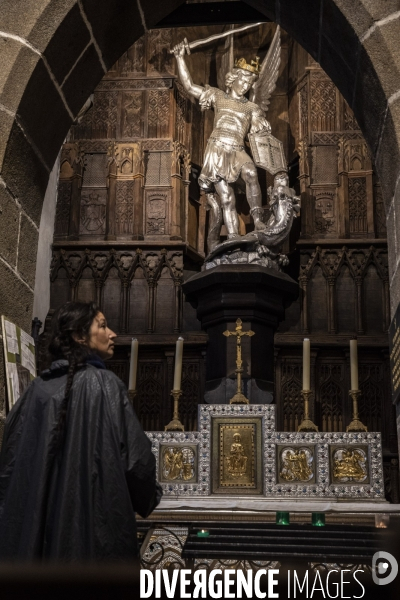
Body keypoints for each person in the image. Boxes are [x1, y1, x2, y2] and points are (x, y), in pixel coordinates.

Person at [0, 301, 162, 561]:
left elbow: (10, 464)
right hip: (93, 536)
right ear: (79, 336)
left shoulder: (35, 391)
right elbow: (135, 461)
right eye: (103, 326)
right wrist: (149, 496)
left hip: (35, 538)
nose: (112, 334)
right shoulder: (106, 385)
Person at [172, 42, 271, 248]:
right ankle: (233, 235)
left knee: (252, 173)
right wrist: (180, 57)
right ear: (233, 78)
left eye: (249, 82)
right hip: (217, 149)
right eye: (242, 80)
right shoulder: (217, 96)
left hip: (237, 149)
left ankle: (258, 220)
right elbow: (190, 87)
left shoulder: (252, 107)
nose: (245, 85)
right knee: (226, 197)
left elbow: (257, 128)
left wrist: (259, 125)